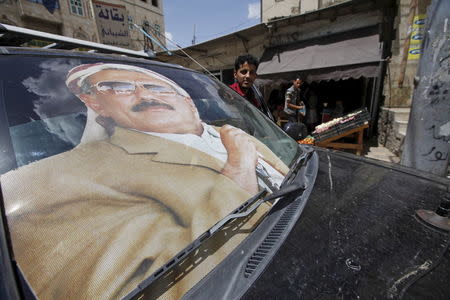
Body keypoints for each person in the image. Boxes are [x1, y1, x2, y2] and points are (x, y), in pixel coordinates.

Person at [1, 63, 288, 300]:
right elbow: (155, 284)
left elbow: (289, 178)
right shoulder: (66, 177)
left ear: (188, 100)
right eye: (118, 87)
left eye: (157, 87)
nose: (144, 94)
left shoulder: (229, 132)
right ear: (94, 103)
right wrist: (238, 169)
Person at [229, 54, 272, 119]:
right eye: (244, 72)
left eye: (251, 72)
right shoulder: (228, 93)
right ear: (235, 74)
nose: (248, 76)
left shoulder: (256, 97)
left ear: (255, 76)